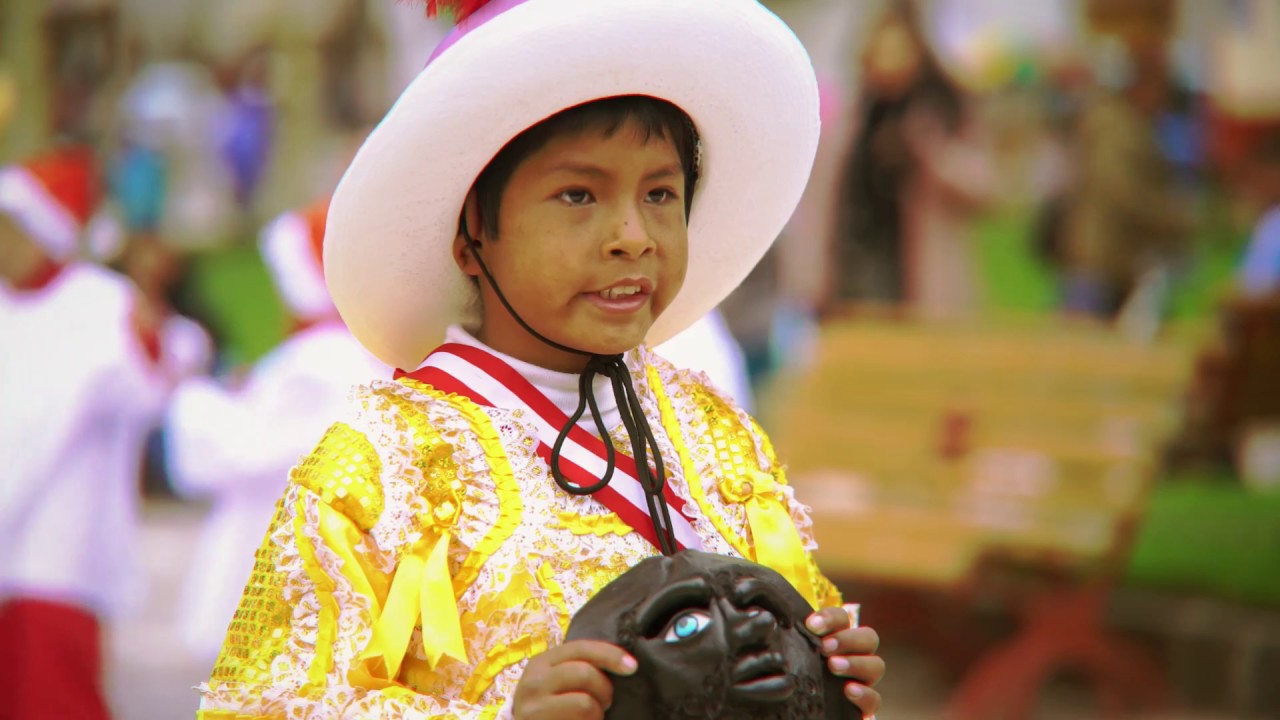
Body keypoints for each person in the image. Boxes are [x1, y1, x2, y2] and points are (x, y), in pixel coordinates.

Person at [197, 1, 885, 718]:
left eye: (660, 194)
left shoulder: (717, 436)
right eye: (578, 195)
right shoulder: (383, 463)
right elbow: (262, 703)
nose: (632, 235)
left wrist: (824, 668)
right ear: (472, 233)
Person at [167, 198, 388, 666]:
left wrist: (197, 400)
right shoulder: (362, 353)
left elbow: (250, 452)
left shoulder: (318, 360)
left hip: (275, 553)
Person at [0, 145, 170, 719]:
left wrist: (149, 344)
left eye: (12, 230)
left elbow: (145, 391)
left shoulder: (101, 303)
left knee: (53, 693)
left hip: (60, 537)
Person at [831, 0, 995, 318]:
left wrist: (932, 153)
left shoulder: (942, 107)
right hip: (858, 265)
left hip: (922, 276)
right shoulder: (858, 113)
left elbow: (983, 188)